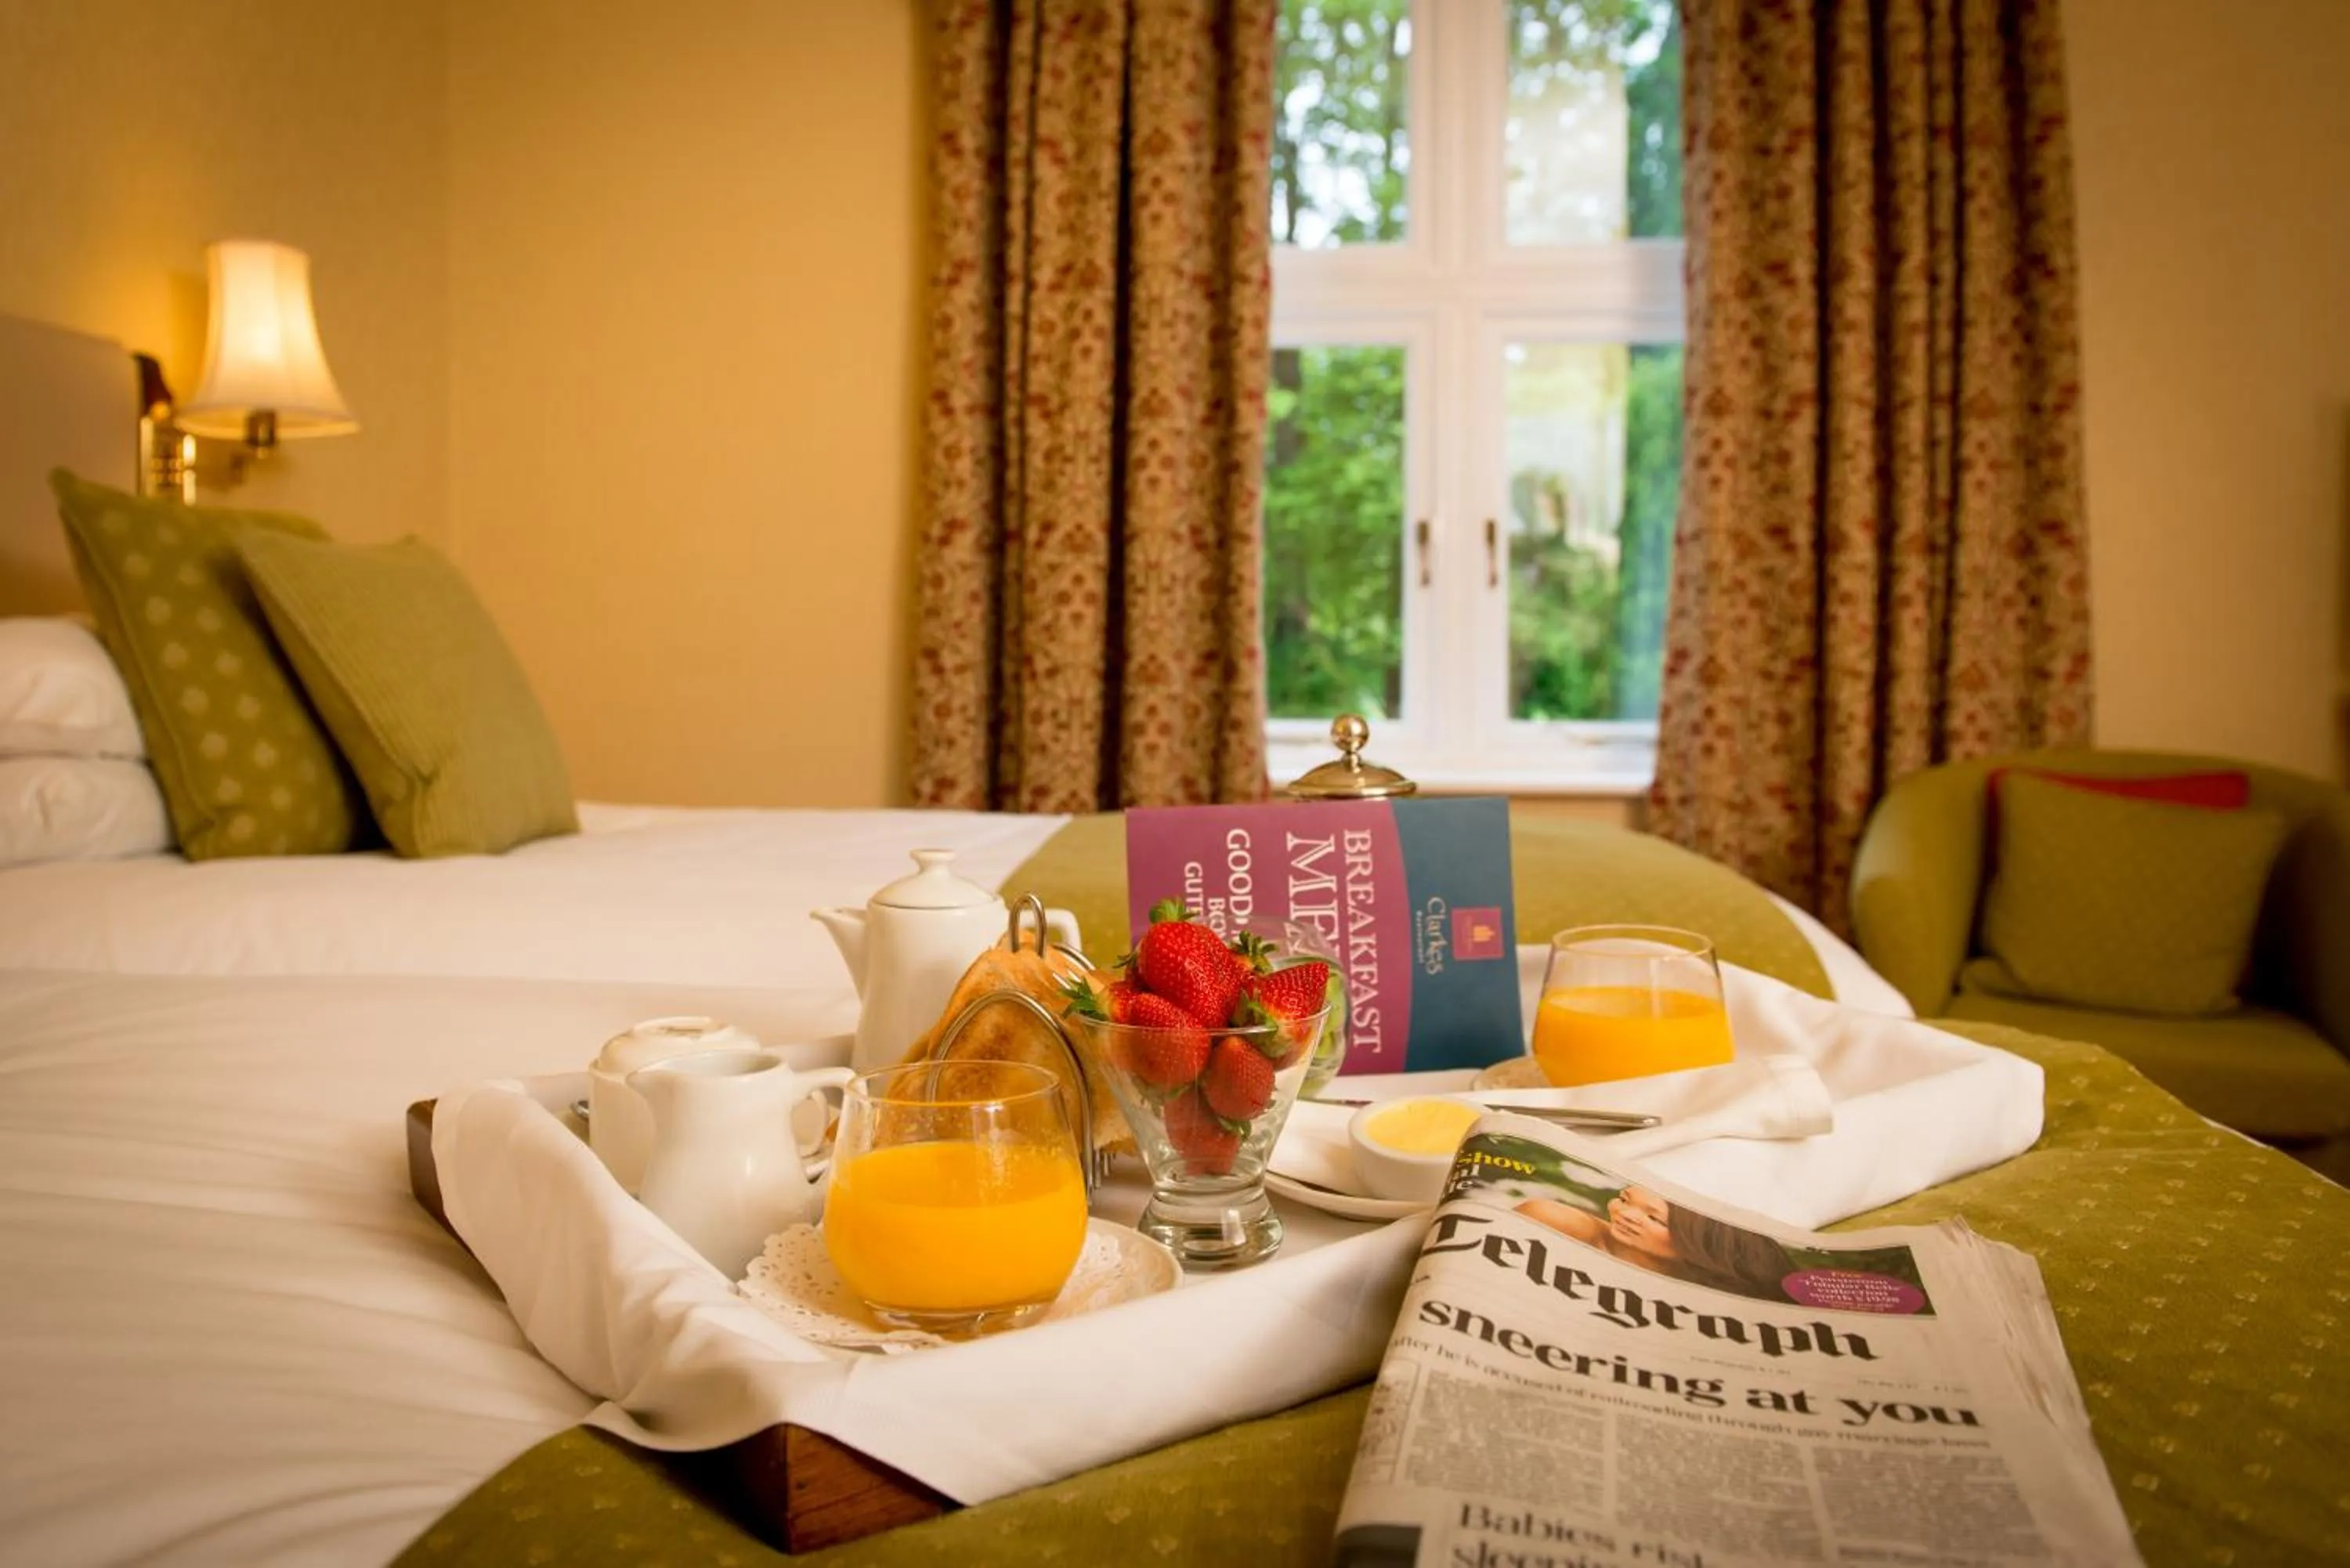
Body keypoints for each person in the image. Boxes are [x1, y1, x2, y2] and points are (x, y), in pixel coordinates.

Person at [1516, 1183, 1792, 1301]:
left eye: (1654, 1219)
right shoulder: (1561, 1223)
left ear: (1702, 1244)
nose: (1623, 1215)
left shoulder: (1716, 1288)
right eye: (1624, 1200)